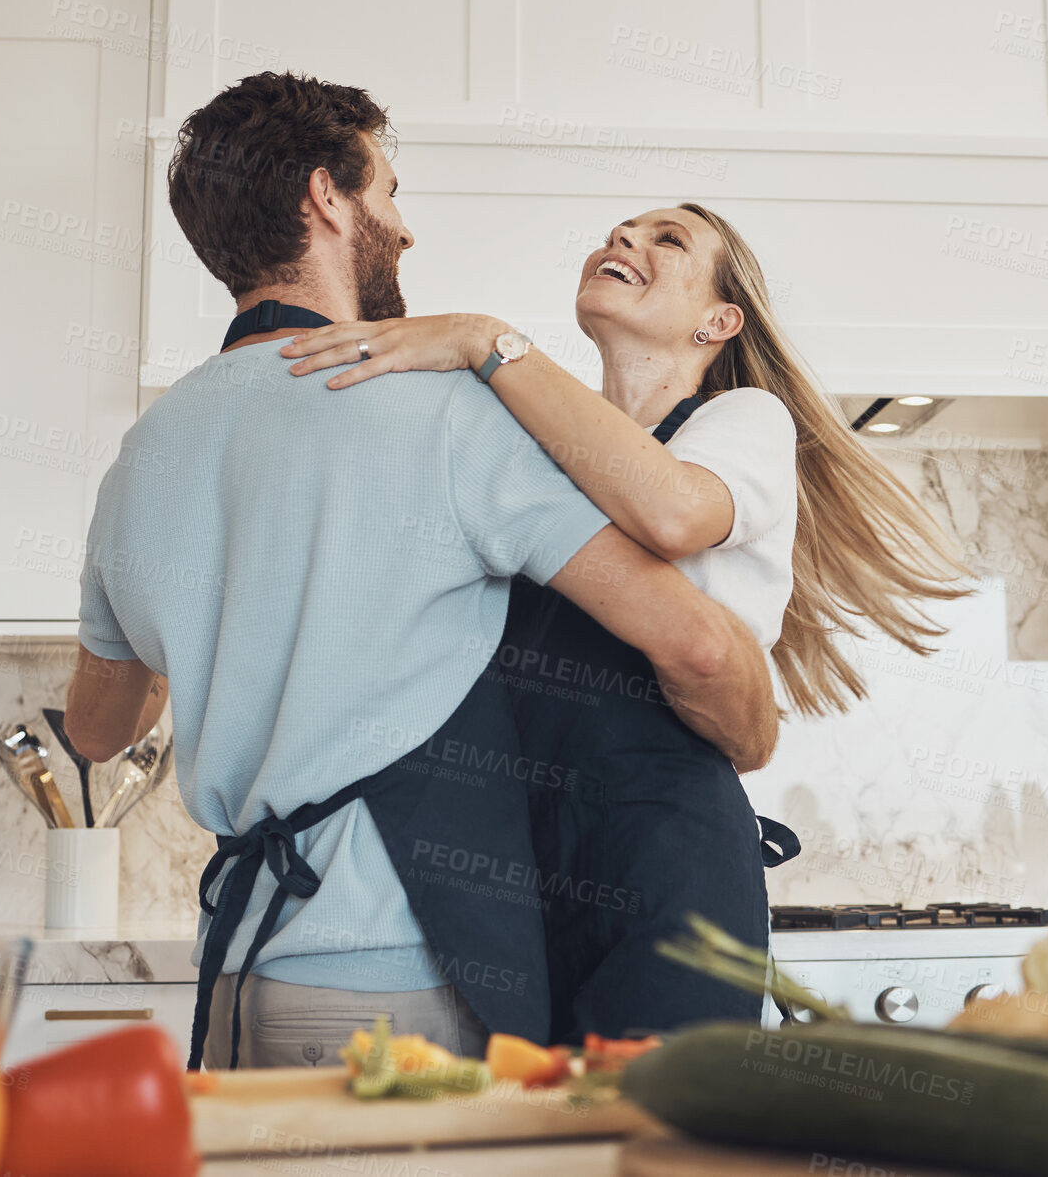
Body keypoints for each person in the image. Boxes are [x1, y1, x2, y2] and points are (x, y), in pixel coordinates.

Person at [62, 72, 776, 1069]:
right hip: (408, 966)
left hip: (239, 961)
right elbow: (696, 640)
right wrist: (752, 735)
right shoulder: (446, 415)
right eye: (388, 194)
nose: (402, 231)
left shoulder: (143, 453)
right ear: (327, 198)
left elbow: (99, 731)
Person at [280, 204, 971, 1040]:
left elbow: (673, 513)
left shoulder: (740, 421)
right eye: (618, 230)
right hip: (521, 862)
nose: (623, 240)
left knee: (652, 1148)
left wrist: (482, 340)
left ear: (720, 321)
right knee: (534, 1143)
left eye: (666, 239)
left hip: (665, 855)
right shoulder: (529, 450)